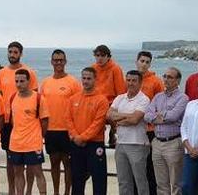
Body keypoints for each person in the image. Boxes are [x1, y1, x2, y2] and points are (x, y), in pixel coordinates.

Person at [0, 41, 38, 195]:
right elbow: (0, 96)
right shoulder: (1, 73)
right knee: (10, 159)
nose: (12, 55)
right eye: (10, 52)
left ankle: (28, 191)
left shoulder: (29, 72)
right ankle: (12, 191)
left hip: (27, 123)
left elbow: (35, 97)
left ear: (20, 54)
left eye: (15, 52)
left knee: (31, 161)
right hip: (8, 122)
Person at [40, 49, 81, 195]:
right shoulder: (45, 82)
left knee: (68, 165)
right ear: (51, 62)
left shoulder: (73, 82)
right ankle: (56, 192)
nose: (58, 62)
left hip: (67, 130)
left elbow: (78, 107)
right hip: (50, 130)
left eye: (61, 60)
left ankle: (66, 192)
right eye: (56, 60)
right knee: (54, 164)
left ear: (65, 61)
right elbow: (40, 108)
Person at [145, 67, 189, 195]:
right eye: (165, 76)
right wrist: (162, 116)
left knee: (176, 183)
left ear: (178, 80)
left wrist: (158, 116)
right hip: (157, 143)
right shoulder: (158, 97)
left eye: (170, 77)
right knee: (161, 184)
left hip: (173, 143)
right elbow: (147, 115)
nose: (166, 79)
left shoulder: (183, 98)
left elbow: (174, 116)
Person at [67, 67, 111, 195]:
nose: (85, 81)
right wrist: (75, 137)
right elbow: (68, 119)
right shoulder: (73, 99)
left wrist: (83, 138)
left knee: (98, 180)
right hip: (76, 144)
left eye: (89, 78)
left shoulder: (101, 100)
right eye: (84, 78)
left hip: (95, 144)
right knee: (77, 179)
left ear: (95, 80)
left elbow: (98, 123)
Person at [108, 70, 151, 195]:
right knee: (123, 181)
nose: (130, 83)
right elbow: (109, 115)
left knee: (140, 181)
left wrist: (119, 118)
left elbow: (135, 120)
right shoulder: (120, 98)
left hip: (137, 144)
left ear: (140, 82)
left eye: (134, 81)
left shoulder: (144, 99)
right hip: (120, 143)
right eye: (128, 80)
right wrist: (127, 117)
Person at [8, 69, 49, 195]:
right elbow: (13, 120)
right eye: (16, 81)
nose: (19, 84)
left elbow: (45, 121)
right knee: (18, 173)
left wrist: (38, 136)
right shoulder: (13, 97)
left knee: (38, 173)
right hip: (16, 143)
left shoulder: (38, 98)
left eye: (22, 81)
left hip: (33, 143)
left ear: (28, 81)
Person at [137, 50, 165, 195]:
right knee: (136, 167)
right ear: (137, 61)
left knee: (150, 168)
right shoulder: (131, 79)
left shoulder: (156, 81)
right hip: (134, 130)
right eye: (142, 61)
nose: (144, 64)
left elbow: (161, 104)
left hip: (150, 131)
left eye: (147, 62)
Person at [92, 44, 126, 147]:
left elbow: (121, 92)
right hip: (96, 102)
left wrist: (114, 107)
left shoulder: (115, 69)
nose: (100, 58)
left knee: (110, 115)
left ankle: (112, 135)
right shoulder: (93, 68)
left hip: (111, 103)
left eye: (103, 55)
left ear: (108, 56)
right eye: (97, 55)